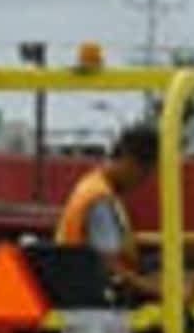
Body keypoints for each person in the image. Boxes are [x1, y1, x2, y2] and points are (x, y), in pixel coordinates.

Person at [57, 122, 162, 302]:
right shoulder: (100, 199)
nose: (141, 183)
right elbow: (107, 265)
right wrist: (151, 287)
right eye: (144, 174)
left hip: (79, 287)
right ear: (129, 161)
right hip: (95, 296)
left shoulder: (93, 185)